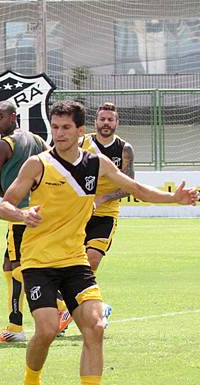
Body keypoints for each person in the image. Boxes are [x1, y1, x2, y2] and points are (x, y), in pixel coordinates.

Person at [0, 100, 197, 385]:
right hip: (39, 262)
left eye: (65, 128)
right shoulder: (37, 164)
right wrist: (22, 215)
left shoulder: (95, 163)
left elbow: (134, 188)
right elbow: (4, 204)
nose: (58, 134)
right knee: (46, 330)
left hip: (75, 261)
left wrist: (172, 198)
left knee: (96, 327)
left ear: (79, 130)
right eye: (55, 127)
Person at [0, 100, 47, 343]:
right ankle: (15, 321)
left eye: (0, 117)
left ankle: (61, 305)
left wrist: (11, 200)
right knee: (7, 264)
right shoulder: (37, 139)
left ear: (14, 117)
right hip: (38, 211)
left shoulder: (4, 144)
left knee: (18, 267)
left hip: (18, 214)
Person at [78, 102, 135, 328]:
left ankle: (77, 311)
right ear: (96, 122)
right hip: (79, 213)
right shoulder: (82, 142)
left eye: (110, 120)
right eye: (102, 119)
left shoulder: (124, 149)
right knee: (70, 265)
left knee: (91, 261)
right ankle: (96, 308)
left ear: (117, 123)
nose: (106, 123)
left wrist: (101, 199)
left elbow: (130, 185)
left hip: (106, 214)